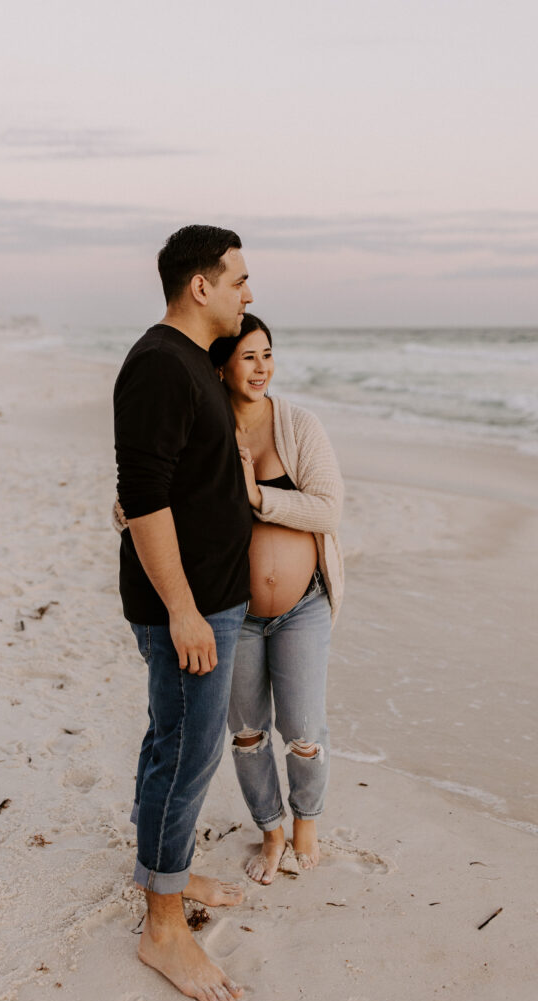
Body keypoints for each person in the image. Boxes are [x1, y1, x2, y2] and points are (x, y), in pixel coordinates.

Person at [113, 225, 254, 1001]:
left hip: (208, 601)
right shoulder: (159, 365)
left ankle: (159, 870)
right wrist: (183, 611)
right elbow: (144, 493)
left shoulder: (190, 363)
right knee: (187, 754)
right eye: (237, 279)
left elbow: (160, 478)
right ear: (198, 286)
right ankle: (162, 926)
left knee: (169, 739)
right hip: (188, 610)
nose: (247, 292)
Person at [209, 314, 344, 885]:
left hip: (302, 606)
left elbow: (327, 510)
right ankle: (270, 828)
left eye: (268, 354)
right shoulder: (205, 431)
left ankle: (306, 822)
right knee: (246, 733)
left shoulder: (299, 425)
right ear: (221, 366)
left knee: (303, 726)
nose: (262, 367)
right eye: (248, 357)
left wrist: (256, 496)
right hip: (233, 612)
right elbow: (138, 501)